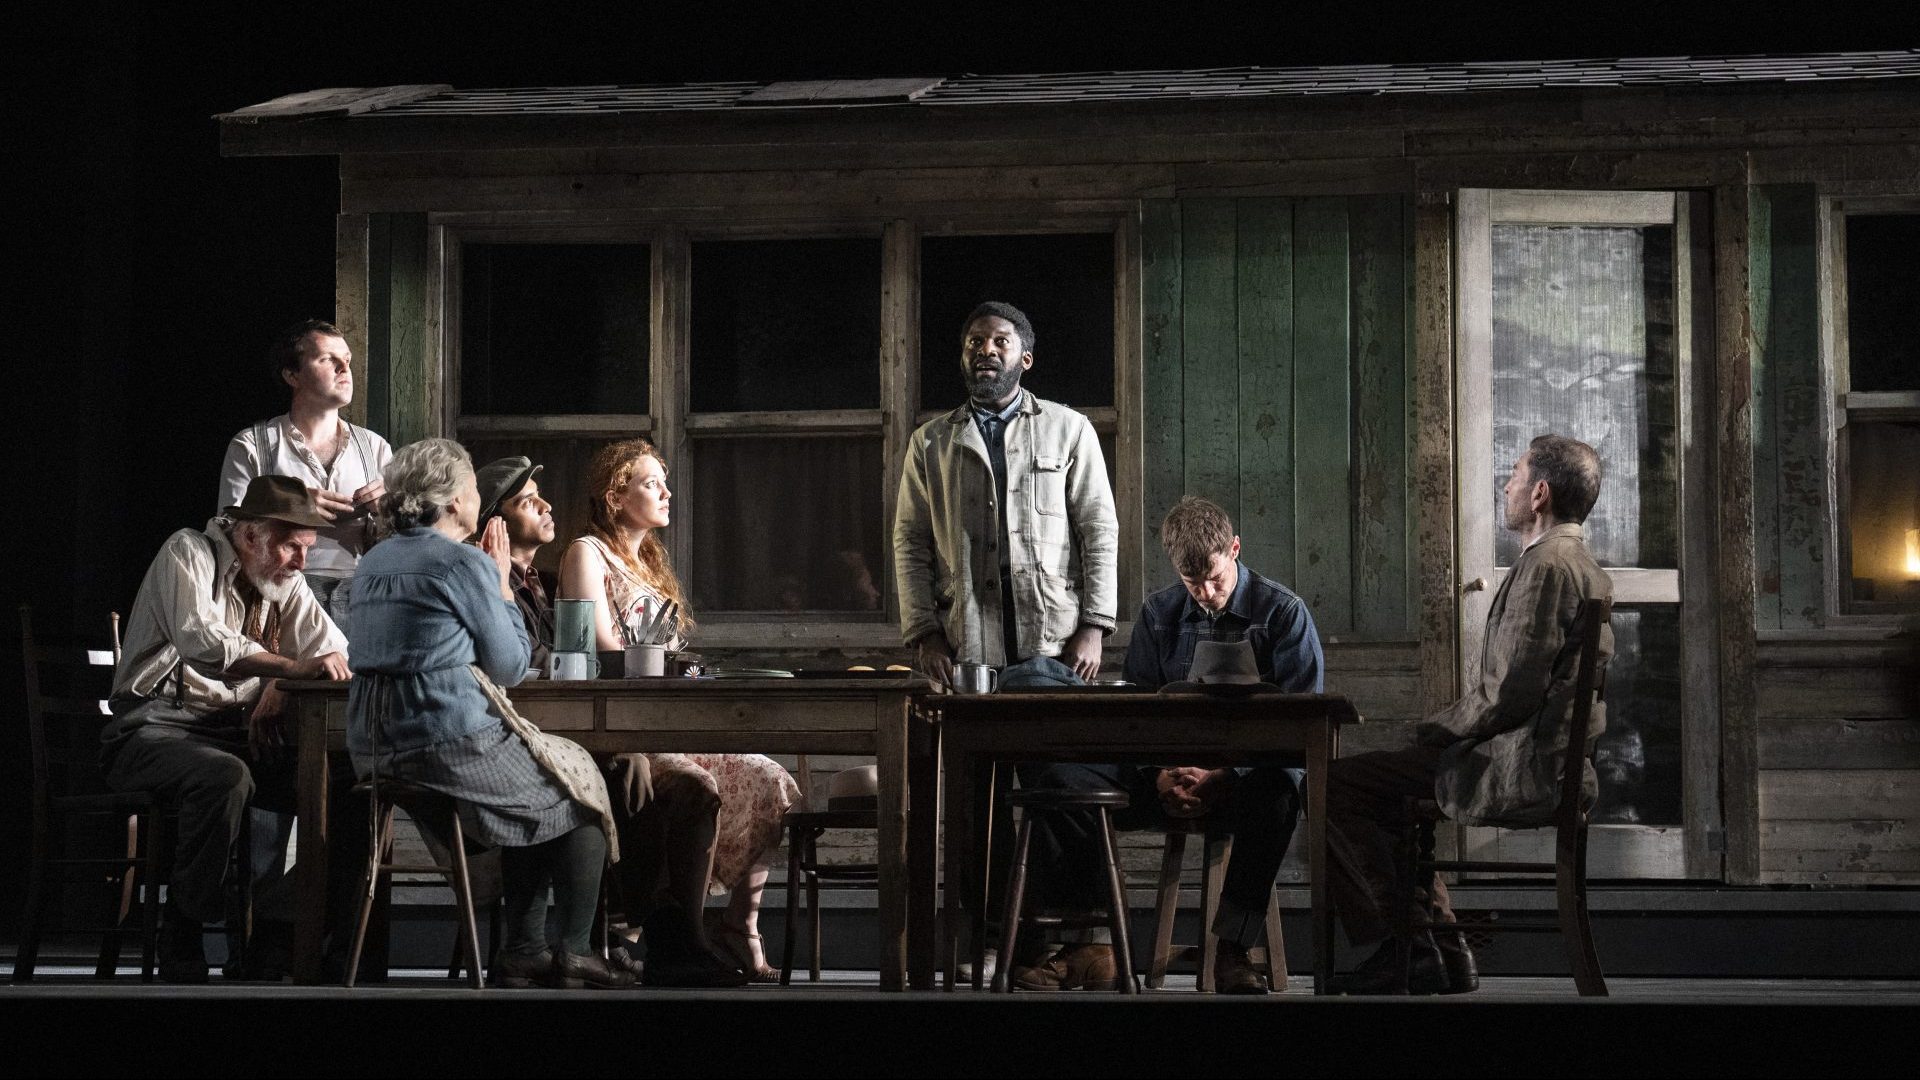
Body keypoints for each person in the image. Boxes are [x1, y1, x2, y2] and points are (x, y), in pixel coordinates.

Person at [1325, 434, 1614, 995]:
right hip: (1537, 755)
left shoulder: (1549, 567)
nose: (1506, 484)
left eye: (1515, 473)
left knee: (1338, 786)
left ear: (1540, 493)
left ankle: (1404, 947)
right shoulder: (1572, 562)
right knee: (1390, 781)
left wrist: (1432, 729)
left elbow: (1508, 693)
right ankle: (1445, 950)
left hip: (1522, 765)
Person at [348, 438, 634, 990]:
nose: (478, 497)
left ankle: (524, 950)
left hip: (375, 743)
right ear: (455, 500)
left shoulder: (375, 560)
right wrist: (501, 586)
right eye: (474, 489)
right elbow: (508, 664)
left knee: (538, 798)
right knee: (580, 793)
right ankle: (571, 949)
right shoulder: (464, 563)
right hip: (443, 734)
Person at [1010, 496, 1324, 993]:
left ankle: (1234, 950)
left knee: (1282, 790)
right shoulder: (1159, 613)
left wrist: (1224, 778)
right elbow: (1136, 718)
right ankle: (1091, 945)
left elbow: (1298, 732)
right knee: (1058, 780)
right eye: (1190, 583)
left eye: (1215, 579)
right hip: (1162, 776)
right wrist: (1159, 772)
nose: (1205, 593)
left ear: (1235, 549)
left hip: (1241, 783)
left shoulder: (1284, 613)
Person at [101, 475, 358, 983]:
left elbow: (336, 651)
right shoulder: (188, 552)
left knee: (342, 781)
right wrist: (287, 669)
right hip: (151, 731)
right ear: (249, 535)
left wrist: (276, 687)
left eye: (306, 549)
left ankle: (278, 934)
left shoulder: (283, 580)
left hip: (227, 733)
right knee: (223, 778)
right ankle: (182, 925)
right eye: (291, 547)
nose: (301, 563)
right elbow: (202, 640)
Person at [559, 437, 796, 985]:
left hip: (667, 722)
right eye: (650, 483)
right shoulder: (586, 552)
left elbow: (668, 656)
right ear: (615, 495)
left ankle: (741, 927)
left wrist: (691, 673)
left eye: (664, 482)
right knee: (694, 785)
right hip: (623, 729)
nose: (666, 492)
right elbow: (601, 650)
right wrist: (669, 669)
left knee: (769, 778)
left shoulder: (649, 564)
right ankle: (680, 939)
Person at [894, 301, 1119, 688]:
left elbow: (1098, 530)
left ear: (1025, 359)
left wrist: (1095, 626)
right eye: (975, 342)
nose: (987, 350)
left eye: (1001, 341)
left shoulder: (1069, 429)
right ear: (964, 356)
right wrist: (924, 634)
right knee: (967, 746)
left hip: (1054, 644)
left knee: (1053, 746)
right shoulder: (930, 442)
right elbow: (911, 542)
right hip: (965, 645)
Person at [217, 319, 393, 638]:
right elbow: (226, 535)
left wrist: (387, 512)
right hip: (281, 599)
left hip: (361, 599)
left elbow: (399, 542)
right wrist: (290, 507)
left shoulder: (375, 447)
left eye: (347, 360)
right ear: (292, 375)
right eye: (327, 359)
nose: (344, 368)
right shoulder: (252, 445)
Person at [471, 456, 557, 673]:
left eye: (539, 496)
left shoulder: (551, 583)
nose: (546, 506)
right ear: (498, 524)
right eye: (528, 501)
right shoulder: (489, 583)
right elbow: (525, 655)